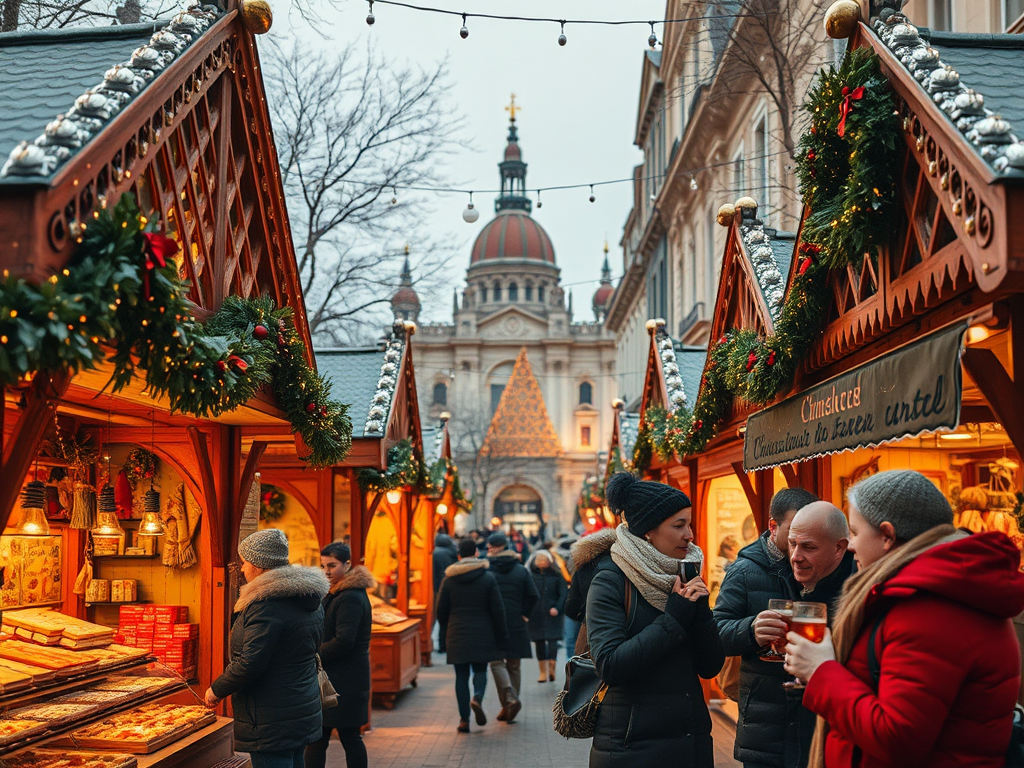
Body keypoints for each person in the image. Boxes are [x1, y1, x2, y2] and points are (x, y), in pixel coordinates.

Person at [786, 469, 1024, 768]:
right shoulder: (935, 592)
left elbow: (897, 738)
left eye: (856, 533)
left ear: (887, 535)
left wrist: (821, 671)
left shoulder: (929, 609)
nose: (852, 545)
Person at [586, 473, 724, 768]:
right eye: (679, 525)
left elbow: (710, 666)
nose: (690, 534)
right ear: (649, 530)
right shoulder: (610, 580)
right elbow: (611, 665)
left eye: (689, 524)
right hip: (632, 749)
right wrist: (673, 619)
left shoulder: (686, 575)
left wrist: (699, 612)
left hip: (691, 745)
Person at [713, 487, 819, 768]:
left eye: (809, 536)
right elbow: (716, 631)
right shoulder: (744, 570)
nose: (800, 544)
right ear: (773, 526)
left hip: (815, 713)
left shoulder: (821, 566)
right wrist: (750, 630)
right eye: (794, 533)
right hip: (765, 716)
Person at [206, 529, 328, 768]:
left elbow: (250, 663)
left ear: (259, 566)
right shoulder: (307, 597)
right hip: (300, 704)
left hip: (271, 714)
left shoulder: (266, 605)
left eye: (244, 563)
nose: (242, 569)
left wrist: (216, 690)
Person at [304, 543, 372, 768]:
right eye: (323, 565)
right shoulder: (337, 593)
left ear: (348, 564)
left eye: (332, 565)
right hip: (338, 677)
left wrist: (313, 655)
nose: (326, 571)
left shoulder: (349, 597)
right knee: (324, 738)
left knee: (344, 737)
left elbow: (344, 641)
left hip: (345, 679)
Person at [436, 537, 508, 733]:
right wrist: (502, 636)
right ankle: (477, 697)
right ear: (476, 553)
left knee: (461, 675)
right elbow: (498, 610)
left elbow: (440, 610)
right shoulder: (487, 577)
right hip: (483, 631)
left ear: (458, 555)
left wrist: (446, 629)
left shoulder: (449, 580)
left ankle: (464, 720)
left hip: (457, 632)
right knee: (480, 670)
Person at [486, 531, 538, 722]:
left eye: (491, 546)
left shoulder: (488, 570)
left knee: (496, 663)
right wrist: (524, 614)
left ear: (497, 547)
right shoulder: (521, 570)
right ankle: (511, 703)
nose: (488, 549)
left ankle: (508, 702)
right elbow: (533, 595)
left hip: (494, 623)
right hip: (516, 622)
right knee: (514, 666)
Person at [787, 501, 855, 603]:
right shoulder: (781, 579)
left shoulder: (857, 598)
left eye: (808, 547)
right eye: (792, 544)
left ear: (839, 548)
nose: (795, 557)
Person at [528, 549, 567, 682]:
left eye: (543, 559)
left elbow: (563, 594)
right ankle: (542, 671)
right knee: (539, 641)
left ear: (549, 561)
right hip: (536, 614)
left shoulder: (557, 575)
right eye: (538, 560)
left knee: (552, 641)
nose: (540, 562)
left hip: (552, 614)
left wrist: (557, 607)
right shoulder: (530, 576)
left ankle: (552, 668)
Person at [432, 533, 458, 653]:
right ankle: (450, 644)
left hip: (439, 588)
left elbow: (434, 573)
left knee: (441, 617)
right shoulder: (453, 551)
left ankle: (442, 645)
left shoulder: (435, 553)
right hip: (453, 586)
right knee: (450, 617)